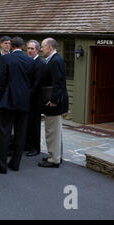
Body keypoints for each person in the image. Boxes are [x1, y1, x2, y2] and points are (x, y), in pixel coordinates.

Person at [0, 37, 34, 174]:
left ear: (12, 46)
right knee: (20, 134)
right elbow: (32, 82)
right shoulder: (30, 61)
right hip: (24, 102)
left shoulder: (6, 59)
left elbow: (0, 82)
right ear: (23, 46)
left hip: (8, 101)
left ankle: (1, 165)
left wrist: (1, 97)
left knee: (4, 133)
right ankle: (15, 163)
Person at [38, 37, 69, 168]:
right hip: (54, 101)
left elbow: (58, 83)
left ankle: (53, 159)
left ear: (50, 47)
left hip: (54, 103)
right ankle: (56, 155)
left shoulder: (55, 61)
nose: (41, 49)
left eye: (43, 46)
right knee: (55, 131)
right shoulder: (54, 60)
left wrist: (53, 100)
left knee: (52, 131)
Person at [25, 40, 46, 157]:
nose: (30, 51)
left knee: (34, 125)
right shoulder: (27, 62)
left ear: (37, 50)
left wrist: (27, 95)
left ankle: (35, 148)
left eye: (32, 49)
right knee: (27, 124)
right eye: (28, 48)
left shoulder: (40, 64)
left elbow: (37, 83)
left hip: (35, 100)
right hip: (27, 99)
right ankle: (27, 145)